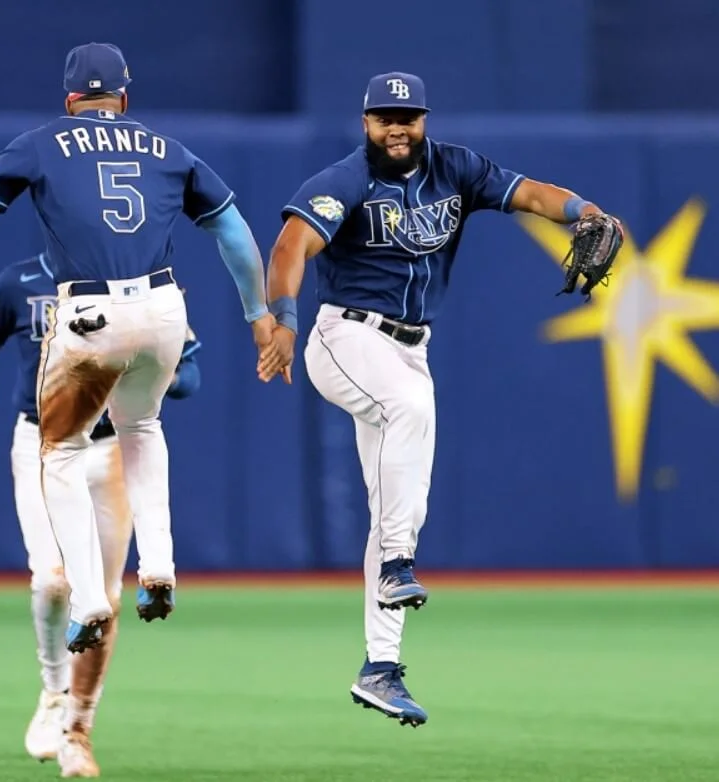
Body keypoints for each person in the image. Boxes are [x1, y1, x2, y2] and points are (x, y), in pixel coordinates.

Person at [259, 72, 623, 727]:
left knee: (398, 497)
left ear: (424, 118)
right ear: (364, 122)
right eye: (384, 117)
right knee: (409, 414)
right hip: (345, 336)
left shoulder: (455, 168)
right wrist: (281, 318)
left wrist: (586, 213)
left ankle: (379, 667)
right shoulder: (346, 181)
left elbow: (533, 194)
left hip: (408, 348)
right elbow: (292, 244)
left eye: (408, 115)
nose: (397, 127)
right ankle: (399, 562)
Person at [0, 41, 276, 653]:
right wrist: (259, 314)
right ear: (124, 96)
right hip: (163, 308)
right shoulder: (167, 148)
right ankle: (158, 566)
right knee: (143, 427)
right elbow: (231, 227)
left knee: (60, 451)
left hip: (91, 311)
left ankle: (90, 595)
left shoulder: (43, 142)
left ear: (70, 98)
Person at [0, 250, 201, 776]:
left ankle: (78, 731)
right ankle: (52, 690)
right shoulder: (18, 279)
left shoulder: (134, 282)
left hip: (111, 448)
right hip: (43, 442)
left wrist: (152, 375)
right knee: (51, 581)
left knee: (103, 600)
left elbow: (190, 371)